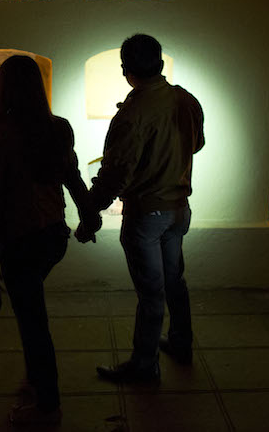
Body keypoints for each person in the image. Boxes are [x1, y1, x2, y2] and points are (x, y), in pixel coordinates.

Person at [0, 55, 90, 425]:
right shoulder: (59, 128)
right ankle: (36, 379)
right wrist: (89, 216)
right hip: (53, 236)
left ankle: (47, 405)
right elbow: (72, 177)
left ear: (3, 90)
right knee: (32, 310)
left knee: (33, 323)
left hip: (19, 240)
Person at [82, 34, 205, 383]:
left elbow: (115, 173)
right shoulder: (185, 99)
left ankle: (144, 365)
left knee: (151, 292)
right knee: (174, 281)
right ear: (161, 65)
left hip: (146, 213)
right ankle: (181, 342)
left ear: (126, 71)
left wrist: (90, 213)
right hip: (179, 208)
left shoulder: (132, 113)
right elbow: (197, 144)